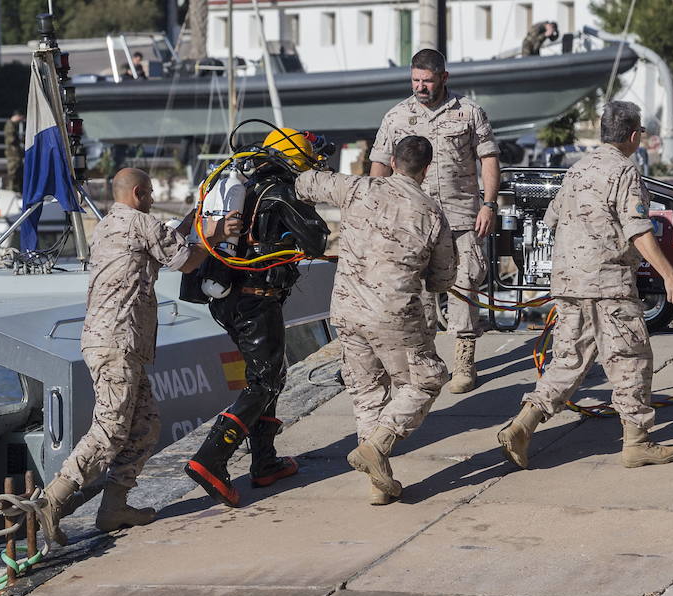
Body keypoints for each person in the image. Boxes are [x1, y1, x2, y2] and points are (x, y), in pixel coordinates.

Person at [37, 168, 239, 545]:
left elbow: (163, 243)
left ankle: (114, 507)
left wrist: (194, 223)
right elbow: (188, 261)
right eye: (148, 194)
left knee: (145, 426)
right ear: (139, 192)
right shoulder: (143, 223)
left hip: (109, 342)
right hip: (118, 343)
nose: (150, 200)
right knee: (111, 429)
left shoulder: (109, 226)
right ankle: (53, 502)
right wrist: (220, 235)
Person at [497, 101, 673, 470]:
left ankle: (523, 426)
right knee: (630, 358)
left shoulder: (576, 171)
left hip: (568, 282)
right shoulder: (624, 172)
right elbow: (638, 230)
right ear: (633, 136)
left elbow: (551, 218)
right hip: (608, 282)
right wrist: (669, 275)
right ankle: (637, 442)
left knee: (568, 360)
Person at [295, 135, 457, 505]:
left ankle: (377, 483)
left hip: (348, 310)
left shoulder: (357, 187)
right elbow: (443, 278)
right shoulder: (431, 212)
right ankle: (380, 444)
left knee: (367, 393)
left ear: (393, 162)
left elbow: (305, 183)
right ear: (426, 168)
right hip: (393, 315)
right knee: (427, 379)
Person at [185, 128, 331, 507]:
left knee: (269, 376)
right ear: (295, 160)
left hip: (229, 299)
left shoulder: (243, 185)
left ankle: (265, 462)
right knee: (265, 380)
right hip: (256, 300)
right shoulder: (279, 192)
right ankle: (210, 458)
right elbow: (317, 239)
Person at [370, 48, 500, 395]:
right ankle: (426, 362)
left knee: (465, 283)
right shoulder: (396, 117)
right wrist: (377, 209)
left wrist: (489, 204)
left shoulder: (470, 112)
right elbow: (380, 165)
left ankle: (463, 362)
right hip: (414, 220)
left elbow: (488, 159)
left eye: (427, 81)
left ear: (444, 77)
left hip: (461, 217)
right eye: (415, 80)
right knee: (419, 291)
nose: (420, 87)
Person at [4, 110, 25, 193]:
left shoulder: (11, 125)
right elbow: (11, 140)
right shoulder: (10, 125)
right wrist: (19, 140)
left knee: (18, 172)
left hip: (15, 153)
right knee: (13, 172)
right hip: (13, 154)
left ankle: (16, 189)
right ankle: (11, 189)